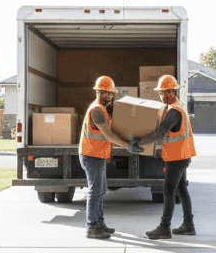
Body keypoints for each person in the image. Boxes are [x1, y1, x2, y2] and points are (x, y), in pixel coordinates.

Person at [130, 74, 197, 239]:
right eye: (161, 93)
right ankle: (188, 225)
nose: (162, 96)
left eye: (165, 92)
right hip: (182, 154)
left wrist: (139, 142)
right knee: (181, 189)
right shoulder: (177, 106)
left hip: (177, 157)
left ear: (172, 92)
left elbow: (159, 134)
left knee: (168, 190)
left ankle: (164, 227)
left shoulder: (174, 111)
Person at [79, 75, 130, 239]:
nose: (108, 96)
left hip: (97, 154)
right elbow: (108, 135)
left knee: (100, 190)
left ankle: (99, 223)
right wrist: (128, 146)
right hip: (91, 155)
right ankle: (92, 227)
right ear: (97, 92)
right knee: (95, 191)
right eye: (104, 93)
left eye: (110, 93)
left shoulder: (102, 109)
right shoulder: (96, 110)